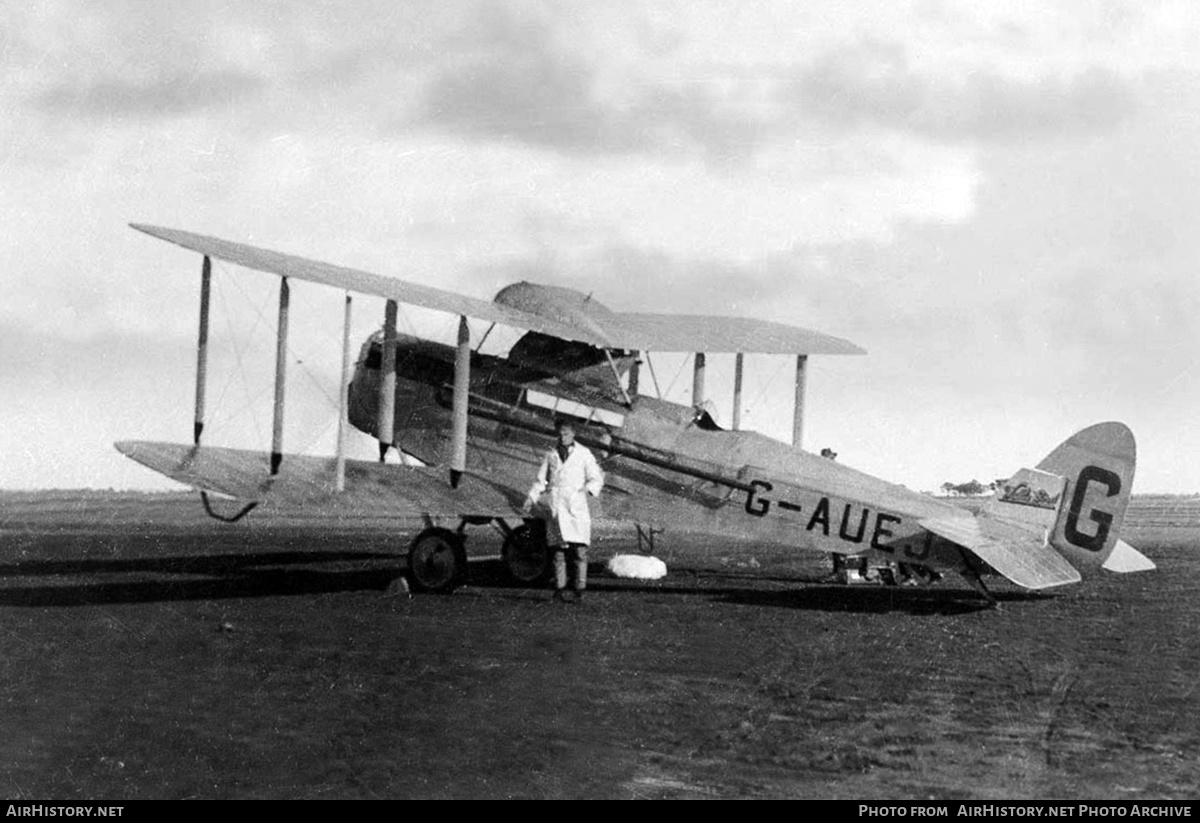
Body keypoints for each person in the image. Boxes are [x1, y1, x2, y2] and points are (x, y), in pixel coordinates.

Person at [523, 418, 604, 602]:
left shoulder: (584, 454)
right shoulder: (551, 454)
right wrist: (531, 497)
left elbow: (596, 478)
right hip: (557, 506)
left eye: (566, 433)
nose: (563, 436)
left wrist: (587, 489)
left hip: (576, 506)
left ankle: (579, 590)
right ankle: (559, 589)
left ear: (573, 434)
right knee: (558, 551)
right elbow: (541, 480)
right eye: (560, 433)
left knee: (579, 551)